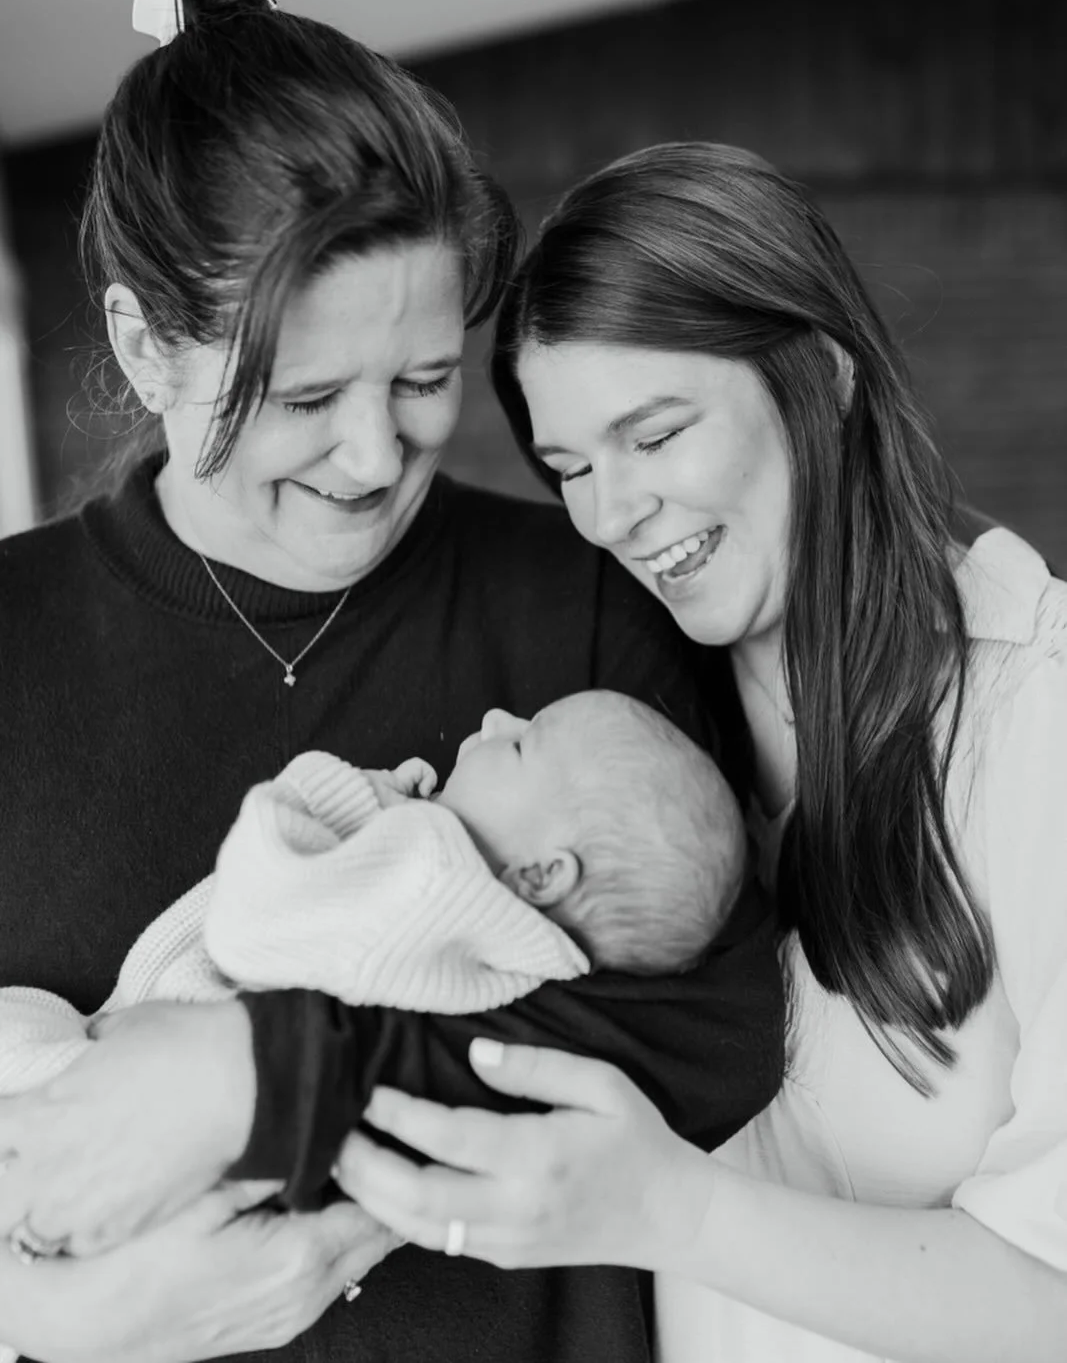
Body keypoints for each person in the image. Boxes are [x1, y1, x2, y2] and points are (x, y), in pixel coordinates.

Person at [0, 0, 783, 1359]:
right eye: (303, 396)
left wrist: (269, 1082)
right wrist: (39, 1305)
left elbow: (716, 1030)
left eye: (421, 382)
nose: (373, 457)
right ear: (144, 344)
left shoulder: (580, 605)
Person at [322, 142, 1067, 1362]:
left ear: (818, 379)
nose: (610, 517)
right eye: (568, 467)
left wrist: (668, 1208)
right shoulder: (619, 709)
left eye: (655, 436)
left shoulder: (1029, 719)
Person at [0, 691, 745, 1097]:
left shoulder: (430, 881)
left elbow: (252, 924)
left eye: (520, 743)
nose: (493, 718)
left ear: (541, 875)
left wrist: (347, 795)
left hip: (130, 1079)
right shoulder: (493, 947)